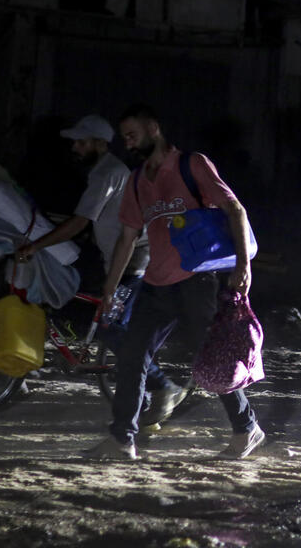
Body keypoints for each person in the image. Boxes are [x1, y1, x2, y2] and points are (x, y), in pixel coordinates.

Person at [83, 104, 261, 460]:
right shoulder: (136, 181)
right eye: (125, 138)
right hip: (154, 285)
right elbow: (127, 237)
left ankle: (247, 429)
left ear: (154, 128)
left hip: (196, 282)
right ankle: (122, 439)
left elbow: (235, 209)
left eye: (133, 135)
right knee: (132, 358)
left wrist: (243, 264)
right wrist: (110, 288)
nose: (128, 143)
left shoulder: (191, 164)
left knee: (214, 360)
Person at [15, 115, 178, 427]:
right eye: (74, 142)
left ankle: (161, 385)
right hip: (120, 259)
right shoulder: (105, 171)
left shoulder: (107, 172)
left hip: (131, 263)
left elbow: (79, 222)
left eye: (81, 141)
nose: (75, 147)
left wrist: (36, 246)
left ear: (101, 144)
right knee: (103, 320)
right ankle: (142, 396)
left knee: (111, 328)